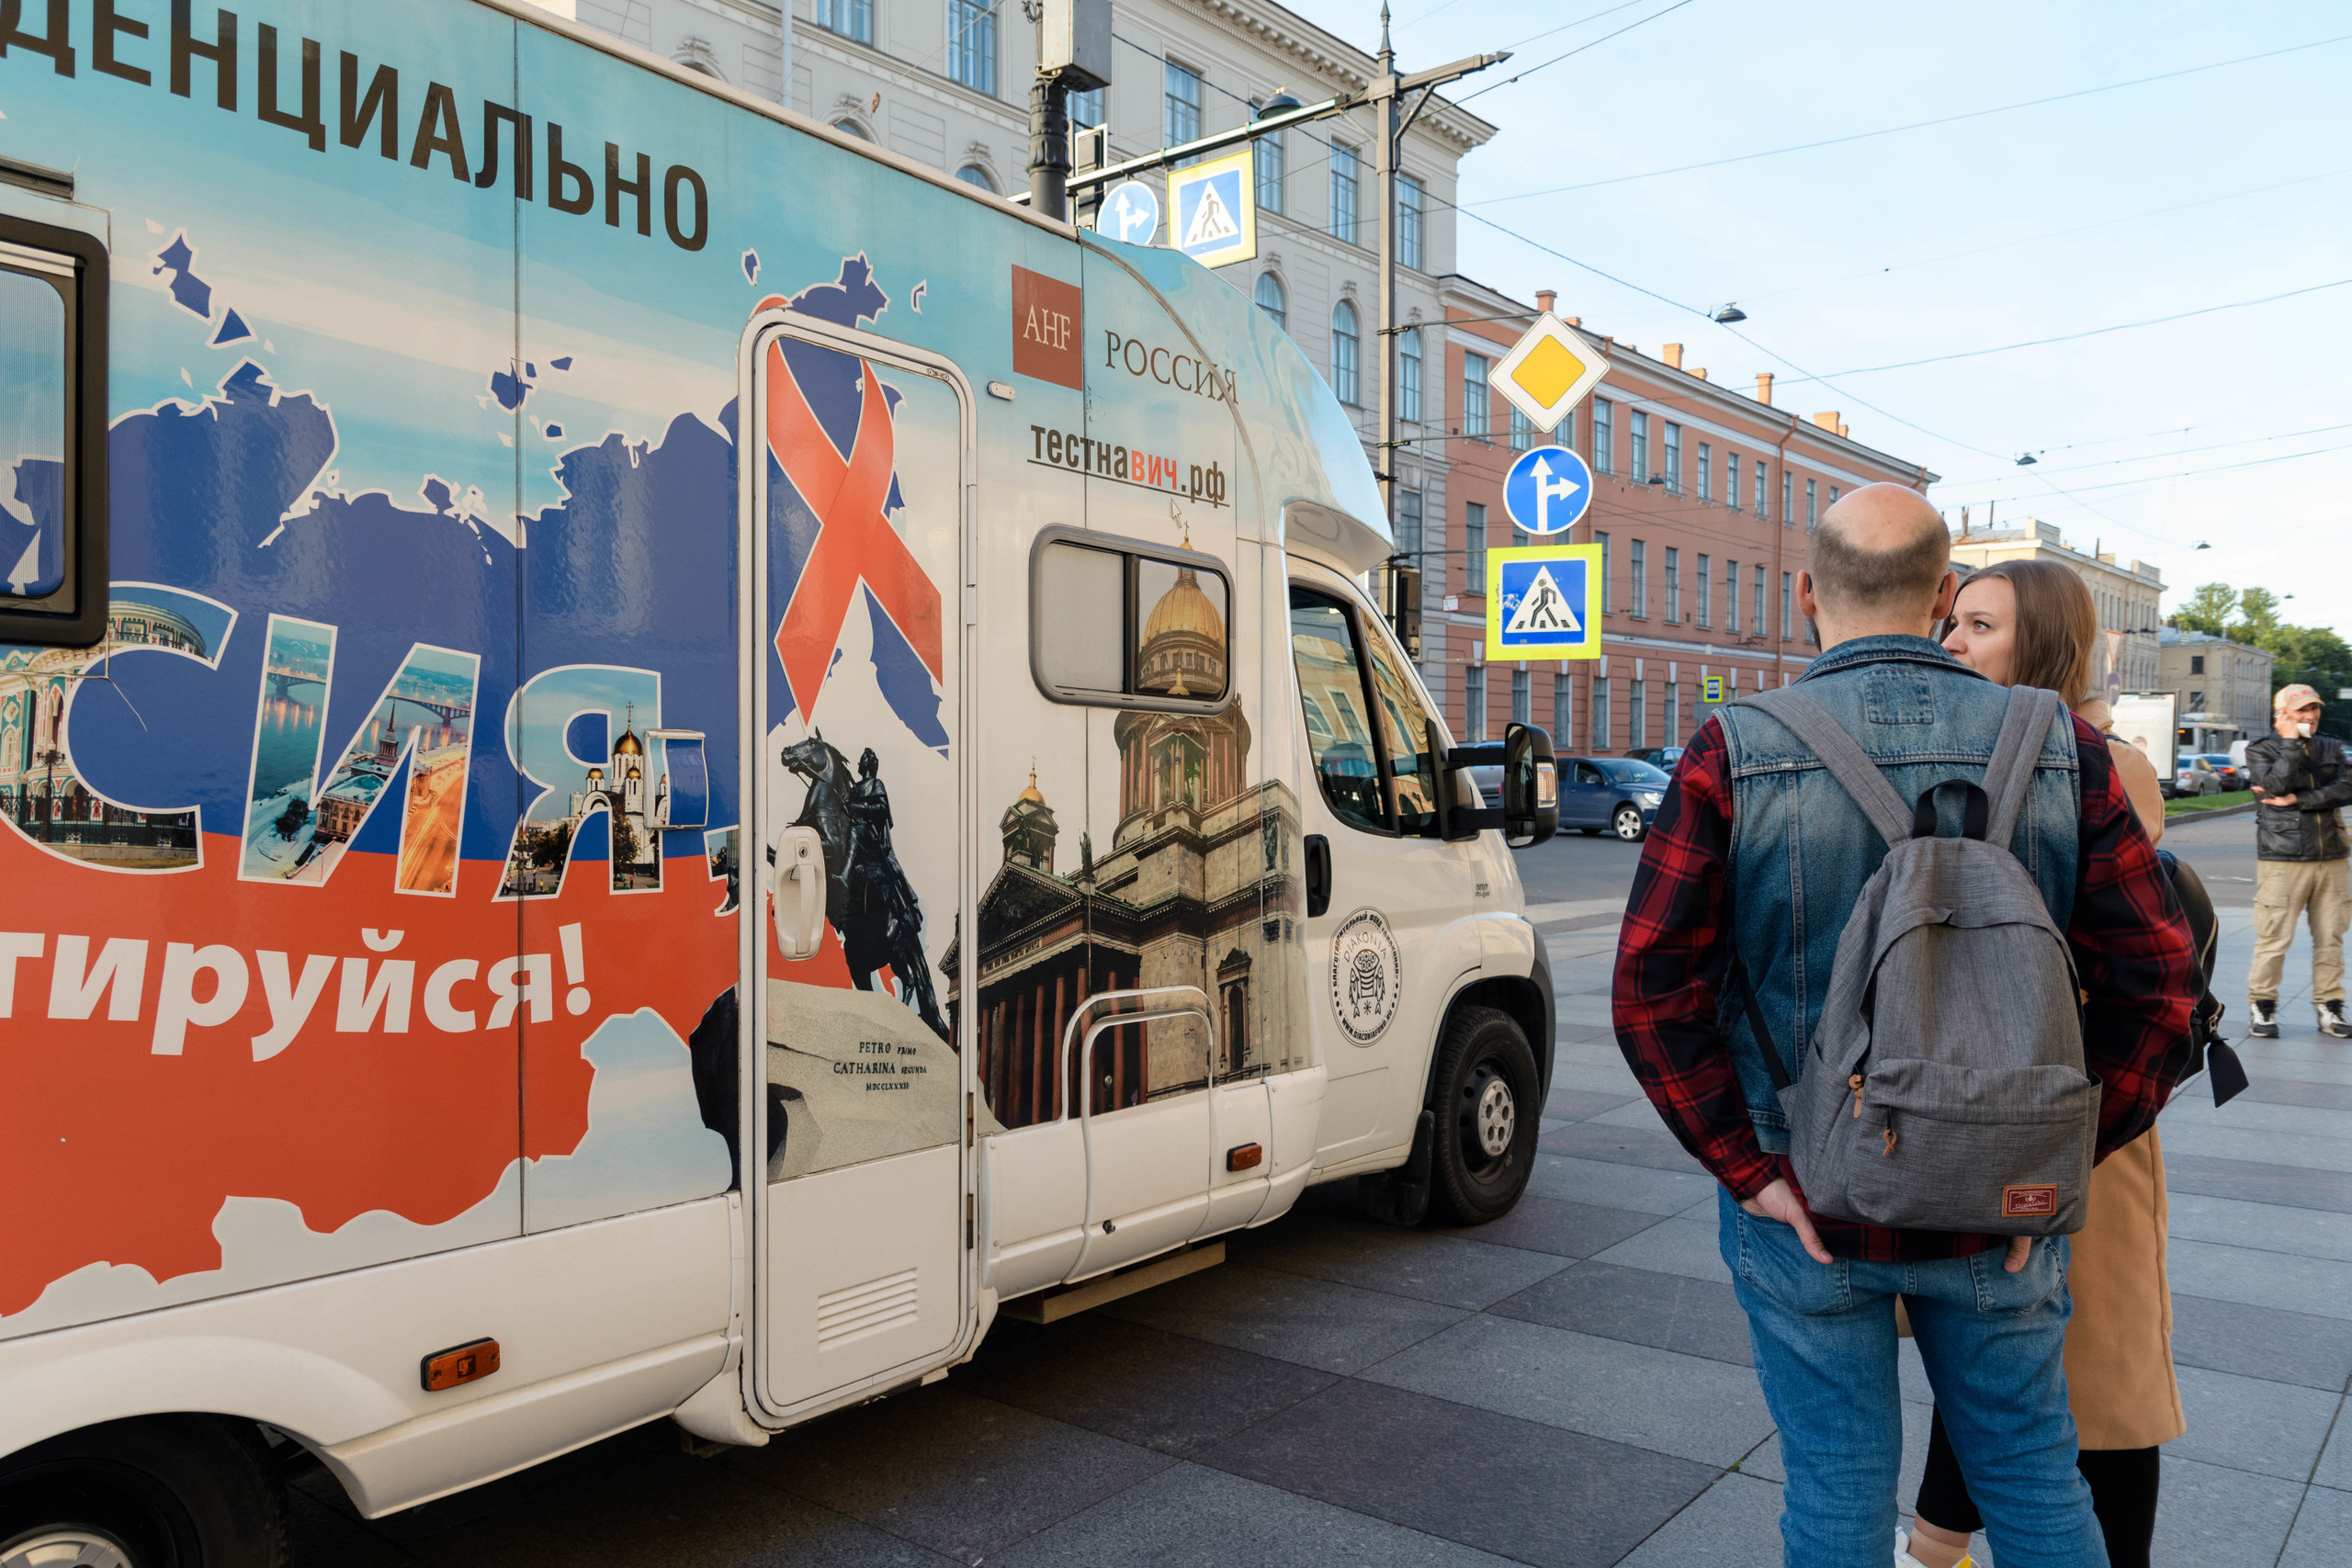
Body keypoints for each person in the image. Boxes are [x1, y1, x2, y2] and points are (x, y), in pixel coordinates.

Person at [1612, 484, 2198, 1568]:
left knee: (1834, 1491)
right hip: (2001, 1200)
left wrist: (1748, 1172)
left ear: (1802, 595)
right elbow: (2162, 985)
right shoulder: (2059, 743)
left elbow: (1652, 991)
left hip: (1804, 1195)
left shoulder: (1732, 747)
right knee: (2031, 1476)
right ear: (1939, 597)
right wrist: (2057, 1160)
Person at [1900, 559, 2183, 1568]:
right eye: (1951, 623)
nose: (1953, 642)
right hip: (1996, 1103)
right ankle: (1934, 1543)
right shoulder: (1994, 745)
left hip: (2080, 1114)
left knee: (2100, 1382)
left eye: (1980, 625)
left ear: (2045, 643)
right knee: (1996, 1352)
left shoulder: (2102, 758)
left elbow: (2116, 961)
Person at [2244, 684, 2351, 1040]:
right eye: (2301, 710)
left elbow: (2348, 788)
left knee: (2331, 937)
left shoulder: (2332, 746)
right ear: (2282, 713)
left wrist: (2301, 800)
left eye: (2314, 709)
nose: (2310, 716)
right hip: (2283, 857)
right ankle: (2262, 1007)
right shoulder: (2261, 749)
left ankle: (2330, 1008)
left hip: (2331, 854)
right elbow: (2274, 787)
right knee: (2273, 937)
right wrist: (2290, 743)